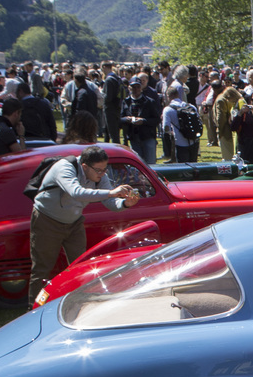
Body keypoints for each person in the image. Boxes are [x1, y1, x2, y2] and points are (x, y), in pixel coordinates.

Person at [27, 144, 140, 303]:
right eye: (99, 170)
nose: (102, 174)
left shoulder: (99, 175)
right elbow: (76, 192)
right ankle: (34, 307)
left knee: (81, 265)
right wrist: (111, 192)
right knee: (42, 268)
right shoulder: (65, 168)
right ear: (85, 166)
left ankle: (80, 302)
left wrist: (125, 204)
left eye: (105, 169)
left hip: (74, 221)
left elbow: (110, 202)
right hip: (48, 219)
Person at [121, 78, 162, 164]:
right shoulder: (126, 102)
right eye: (133, 87)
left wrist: (143, 121)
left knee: (150, 164)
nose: (136, 90)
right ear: (129, 88)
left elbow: (156, 119)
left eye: (138, 87)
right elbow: (120, 119)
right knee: (137, 164)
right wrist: (127, 119)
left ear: (141, 88)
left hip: (148, 137)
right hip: (133, 137)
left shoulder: (149, 102)